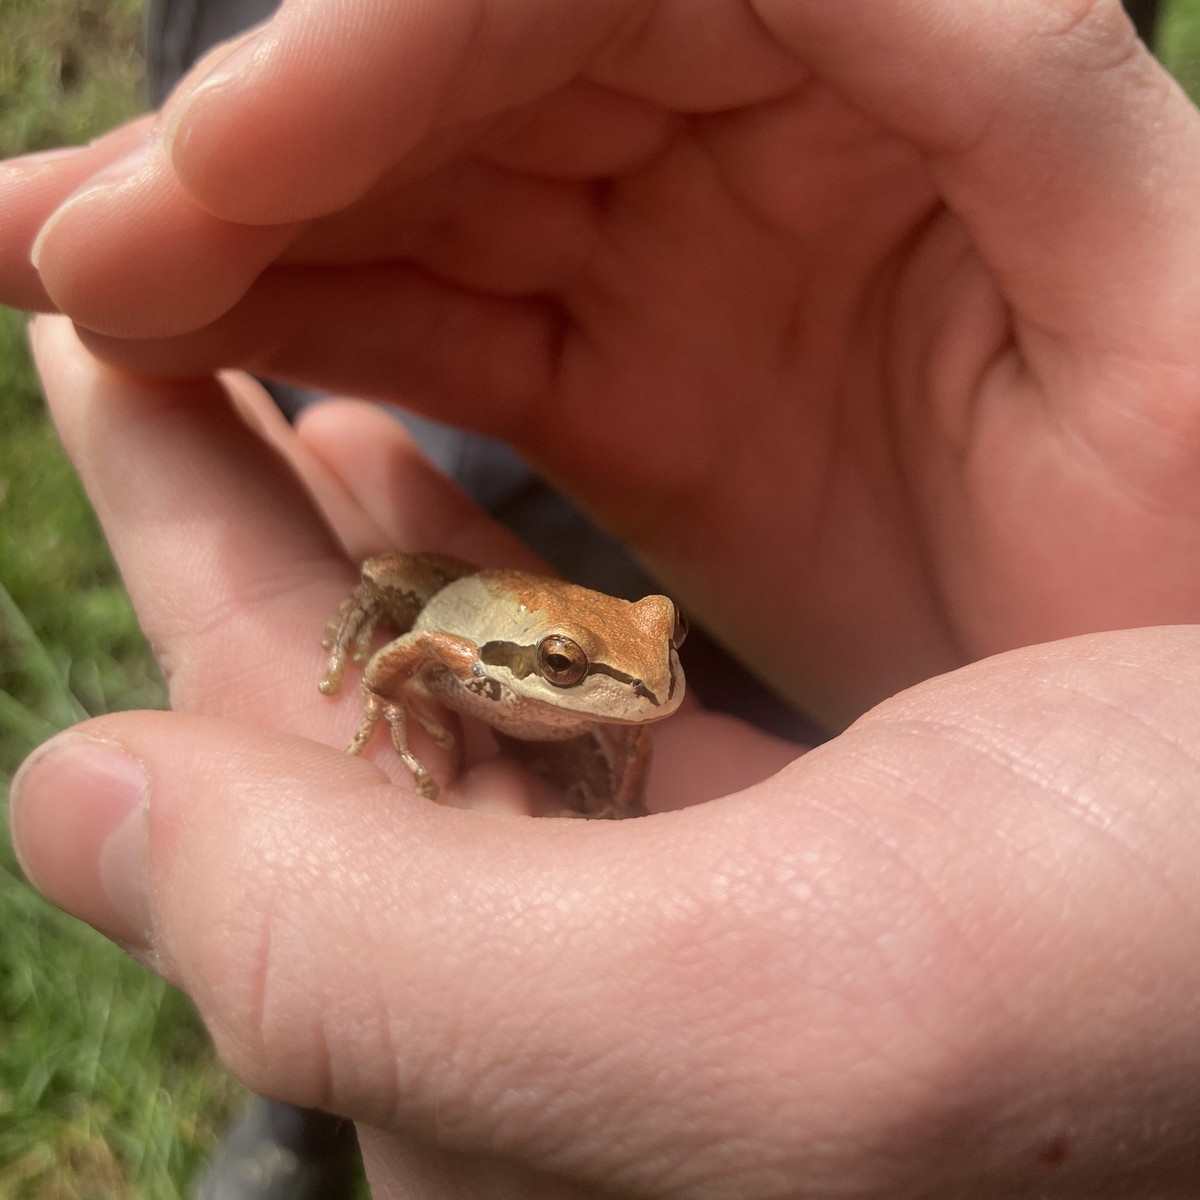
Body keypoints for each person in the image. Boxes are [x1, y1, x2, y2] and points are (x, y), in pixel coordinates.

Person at [6, 1, 1200, 1196]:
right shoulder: (478, 665)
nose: (648, 686)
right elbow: (409, 646)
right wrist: (383, 709)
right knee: (374, 536)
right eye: (583, 683)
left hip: (591, 449)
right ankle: (300, 1117)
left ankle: (315, 1119)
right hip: (477, 583)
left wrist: (612, 769)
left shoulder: (634, 672)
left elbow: (636, 709)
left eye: (657, 645)